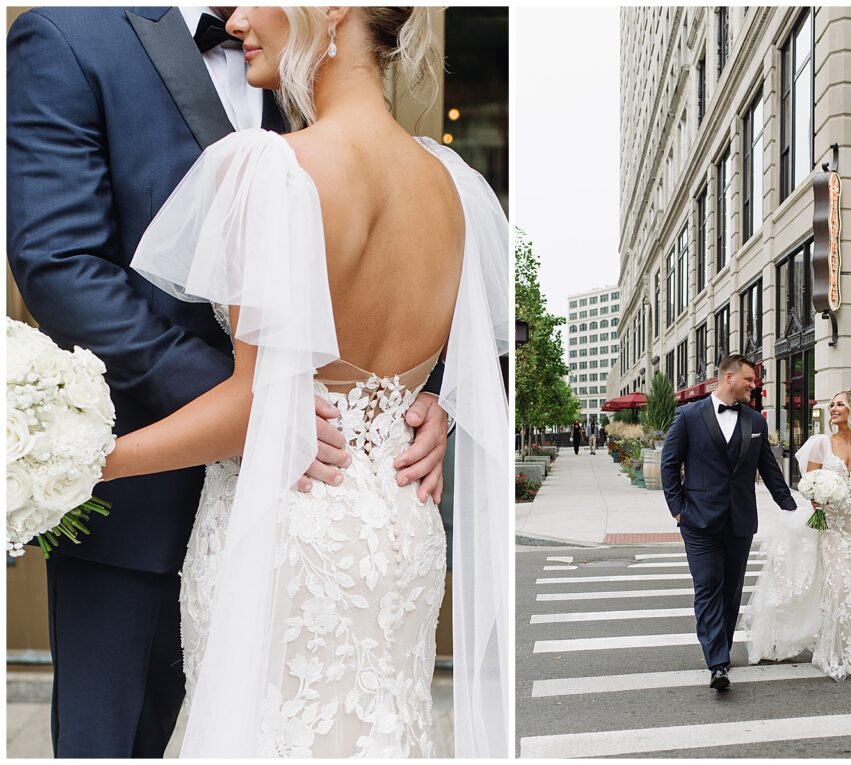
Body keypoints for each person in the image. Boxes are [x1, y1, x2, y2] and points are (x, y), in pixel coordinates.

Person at [5, 6, 490, 758]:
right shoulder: (455, 183)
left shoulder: (276, 163)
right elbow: (58, 260)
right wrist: (412, 400)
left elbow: (256, 396)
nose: (237, 21)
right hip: (393, 533)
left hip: (284, 526)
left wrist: (67, 469)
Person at [743, 389, 851, 682]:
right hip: (831, 526)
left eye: (839, 404)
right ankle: (832, 649)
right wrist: (816, 498)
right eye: (831, 405)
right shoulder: (820, 444)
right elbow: (810, 483)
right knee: (836, 585)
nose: (833, 409)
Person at [660, 354, 796, 691]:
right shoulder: (689, 416)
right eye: (749, 379)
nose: (754, 385)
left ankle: (721, 647)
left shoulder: (756, 422)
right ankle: (718, 662)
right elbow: (668, 464)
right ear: (729, 377)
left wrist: (793, 507)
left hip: (740, 521)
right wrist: (678, 509)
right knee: (708, 587)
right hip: (699, 521)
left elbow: (769, 469)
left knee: (731, 592)